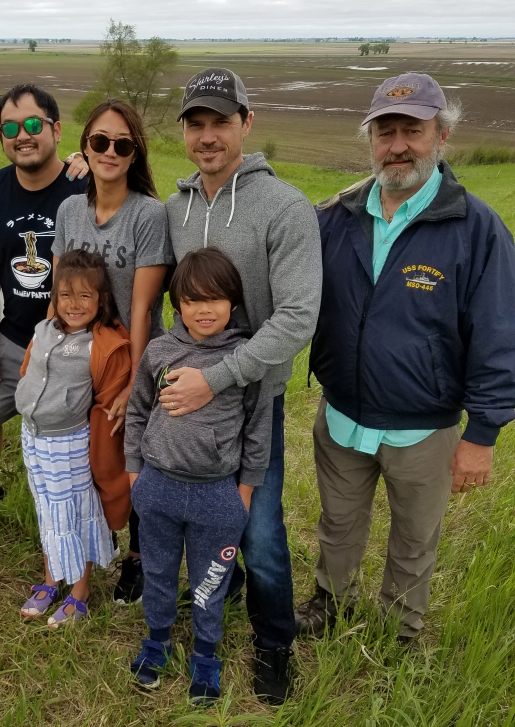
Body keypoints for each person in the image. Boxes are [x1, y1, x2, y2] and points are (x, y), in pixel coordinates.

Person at [296, 73, 515, 646]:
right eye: (385, 131)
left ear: (441, 135)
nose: (398, 145)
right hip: (342, 414)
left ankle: (401, 630)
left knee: (415, 538)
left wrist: (483, 433)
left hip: (424, 427)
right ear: (370, 139)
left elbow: (498, 335)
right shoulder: (336, 217)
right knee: (338, 524)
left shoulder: (477, 229)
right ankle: (330, 601)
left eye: (412, 130)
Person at [162, 68, 322, 703]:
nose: (207, 136)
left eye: (220, 122)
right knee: (201, 509)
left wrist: (218, 378)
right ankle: (213, 593)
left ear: (246, 124)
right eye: (196, 124)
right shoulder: (175, 208)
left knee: (258, 528)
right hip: (189, 400)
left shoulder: (283, 206)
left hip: (254, 399)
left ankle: (275, 642)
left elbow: (298, 316)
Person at [125, 248, 271, 705]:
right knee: (160, 570)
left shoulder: (245, 359)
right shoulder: (160, 352)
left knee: (211, 580)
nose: (203, 310)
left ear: (233, 303)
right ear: (177, 305)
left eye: (215, 299)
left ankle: (206, 656)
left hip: (217, 496)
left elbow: (258, 427)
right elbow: (137, 412)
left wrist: (244, 491)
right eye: (192, 300)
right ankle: (157, 642)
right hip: (158, 489)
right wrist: (135, 476)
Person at [52, 99, 172, 605]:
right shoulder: (68, 210)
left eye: (122, 144)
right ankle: (85, 546)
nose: (109, 151)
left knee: (133, 456)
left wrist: (134, 385)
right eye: (99, 141)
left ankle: (138, 559)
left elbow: (142, 309)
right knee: (86, 454)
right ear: (84, 145)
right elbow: (56, 292)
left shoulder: (148, 215)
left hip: (129, 355)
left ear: (134, 154)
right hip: (82, 356)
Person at [0, 84, 88, 494]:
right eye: (11, 127)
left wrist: (89, 160)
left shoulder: (83, 188)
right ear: (1, 137)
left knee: (82, 431)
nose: (23, 135)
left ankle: (79, 504)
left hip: (77, 343)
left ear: (56, 130)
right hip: (14, 337)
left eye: (34, 124)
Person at [16, 249, 131, 628]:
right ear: (54, 296)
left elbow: (112, 396)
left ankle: (79, 592)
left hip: (68, 442)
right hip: (32, 435)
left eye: (85, 295)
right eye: (65, 295)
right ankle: (52, 580)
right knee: (46, 510)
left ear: (101, 300)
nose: (74, 304)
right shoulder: (44, 329)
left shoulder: (102, 343)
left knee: (73, 515)